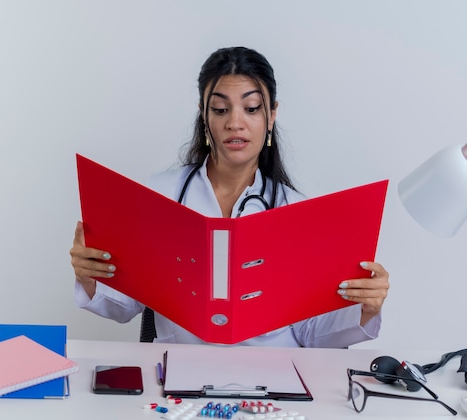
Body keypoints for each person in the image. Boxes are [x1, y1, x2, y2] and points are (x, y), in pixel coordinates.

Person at [70, 46, 389, 348]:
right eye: (220, 109)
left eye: (251, 109)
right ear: (204, 115)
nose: (235, 122)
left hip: (274, 381)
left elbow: (311, 333)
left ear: (272, 115)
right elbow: (126, 303)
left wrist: (367, 308)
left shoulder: (298, 211)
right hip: (182, 377)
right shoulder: (159, 196)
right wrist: (90, 276)